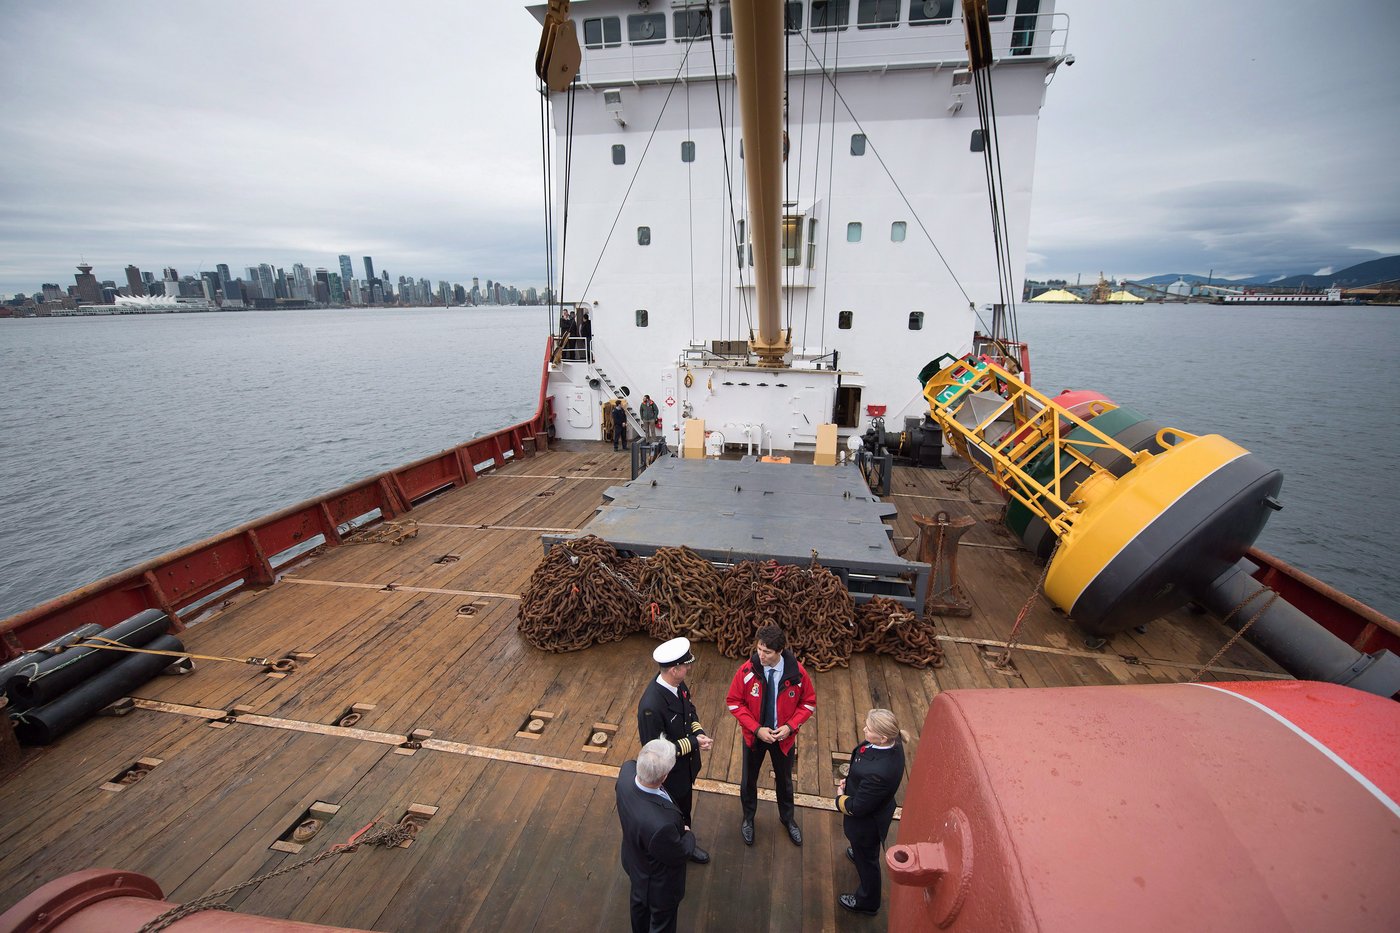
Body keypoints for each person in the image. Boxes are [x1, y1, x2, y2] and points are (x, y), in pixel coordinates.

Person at [725, 624, 816, 847]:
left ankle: (788, 819)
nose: (760, 655)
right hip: (754, 738)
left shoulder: (797, 674)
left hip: (783, 739)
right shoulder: (747, 672)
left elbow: (808, 703)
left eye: (766, 652)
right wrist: (757, 729)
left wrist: (790, 726)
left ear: (780, 651)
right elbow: (734, 702)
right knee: (749, 780)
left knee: (785, 782)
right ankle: (748, 818)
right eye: (759, 649)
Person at [637, 636, 712, 864]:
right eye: (685, 665)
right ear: (673, 669)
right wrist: (694, 742)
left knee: (683, 808)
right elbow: (654, 750)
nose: (689, 668)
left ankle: (683, 840)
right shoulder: (651, 706)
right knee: (672, 814)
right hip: (668, 775)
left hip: (684, 768)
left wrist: (698, 732)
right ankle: (678, 849)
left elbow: (689, 710)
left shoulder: (677, 685)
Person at [617, 738, 697, 933]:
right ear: (664, 776)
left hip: (634, 861)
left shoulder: (626, 772)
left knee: (638, 906)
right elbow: (678, 853)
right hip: (658, 885)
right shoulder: (662, 826)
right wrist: (688, 835)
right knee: (662, 924)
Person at [835, 709, 906, 916]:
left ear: (883, 737)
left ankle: (868, 901)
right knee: (863, 852)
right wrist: (852, 782)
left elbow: (857, 807)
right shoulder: (893, 743)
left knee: (868, 862)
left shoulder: (880, 773)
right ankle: (859, 853)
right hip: (876, 804)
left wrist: (840, 795)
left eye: (869, 728)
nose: (864, 729)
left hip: (867, 824)